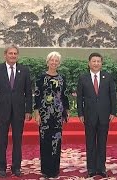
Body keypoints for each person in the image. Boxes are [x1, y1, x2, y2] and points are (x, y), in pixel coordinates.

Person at [0, 44, 32, 178]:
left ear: (17, 56)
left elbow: (28, 93)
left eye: (15, 54)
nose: (13, 56)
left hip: (19, 111)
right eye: (10, 53)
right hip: (1, 111)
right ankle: (1, 168)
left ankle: (16, 167)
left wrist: (28, 110)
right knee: (2, 140)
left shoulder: (24, 70)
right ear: (5, 55)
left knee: (18, 140)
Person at [76, 52, 117, 178]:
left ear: (101, 63)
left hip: (104, 115)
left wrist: (113, 111)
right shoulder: (83, 78)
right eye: (93, 61)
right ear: (89, 63)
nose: (96, 63)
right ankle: (91, 168)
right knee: (90, 142)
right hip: (89, 115)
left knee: (102, 142)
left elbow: (112, 95)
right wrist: (80, 113)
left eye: (98, 61)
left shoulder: (107, 77)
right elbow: (79, 98)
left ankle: (101, 167)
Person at [34, 51, 70, 179]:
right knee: (45, 141)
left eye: (56, 61)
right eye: (52, 60)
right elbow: (37, 95)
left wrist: (66, 111)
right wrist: (37, 112)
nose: (54, 62)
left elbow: (64, 95)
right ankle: (46, 170)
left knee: (56, 141)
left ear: (59, 63)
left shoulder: (62, 78)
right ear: (47, 61)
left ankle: (54, 170)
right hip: (44, 113)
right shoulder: (41, 77)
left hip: (57, 114)